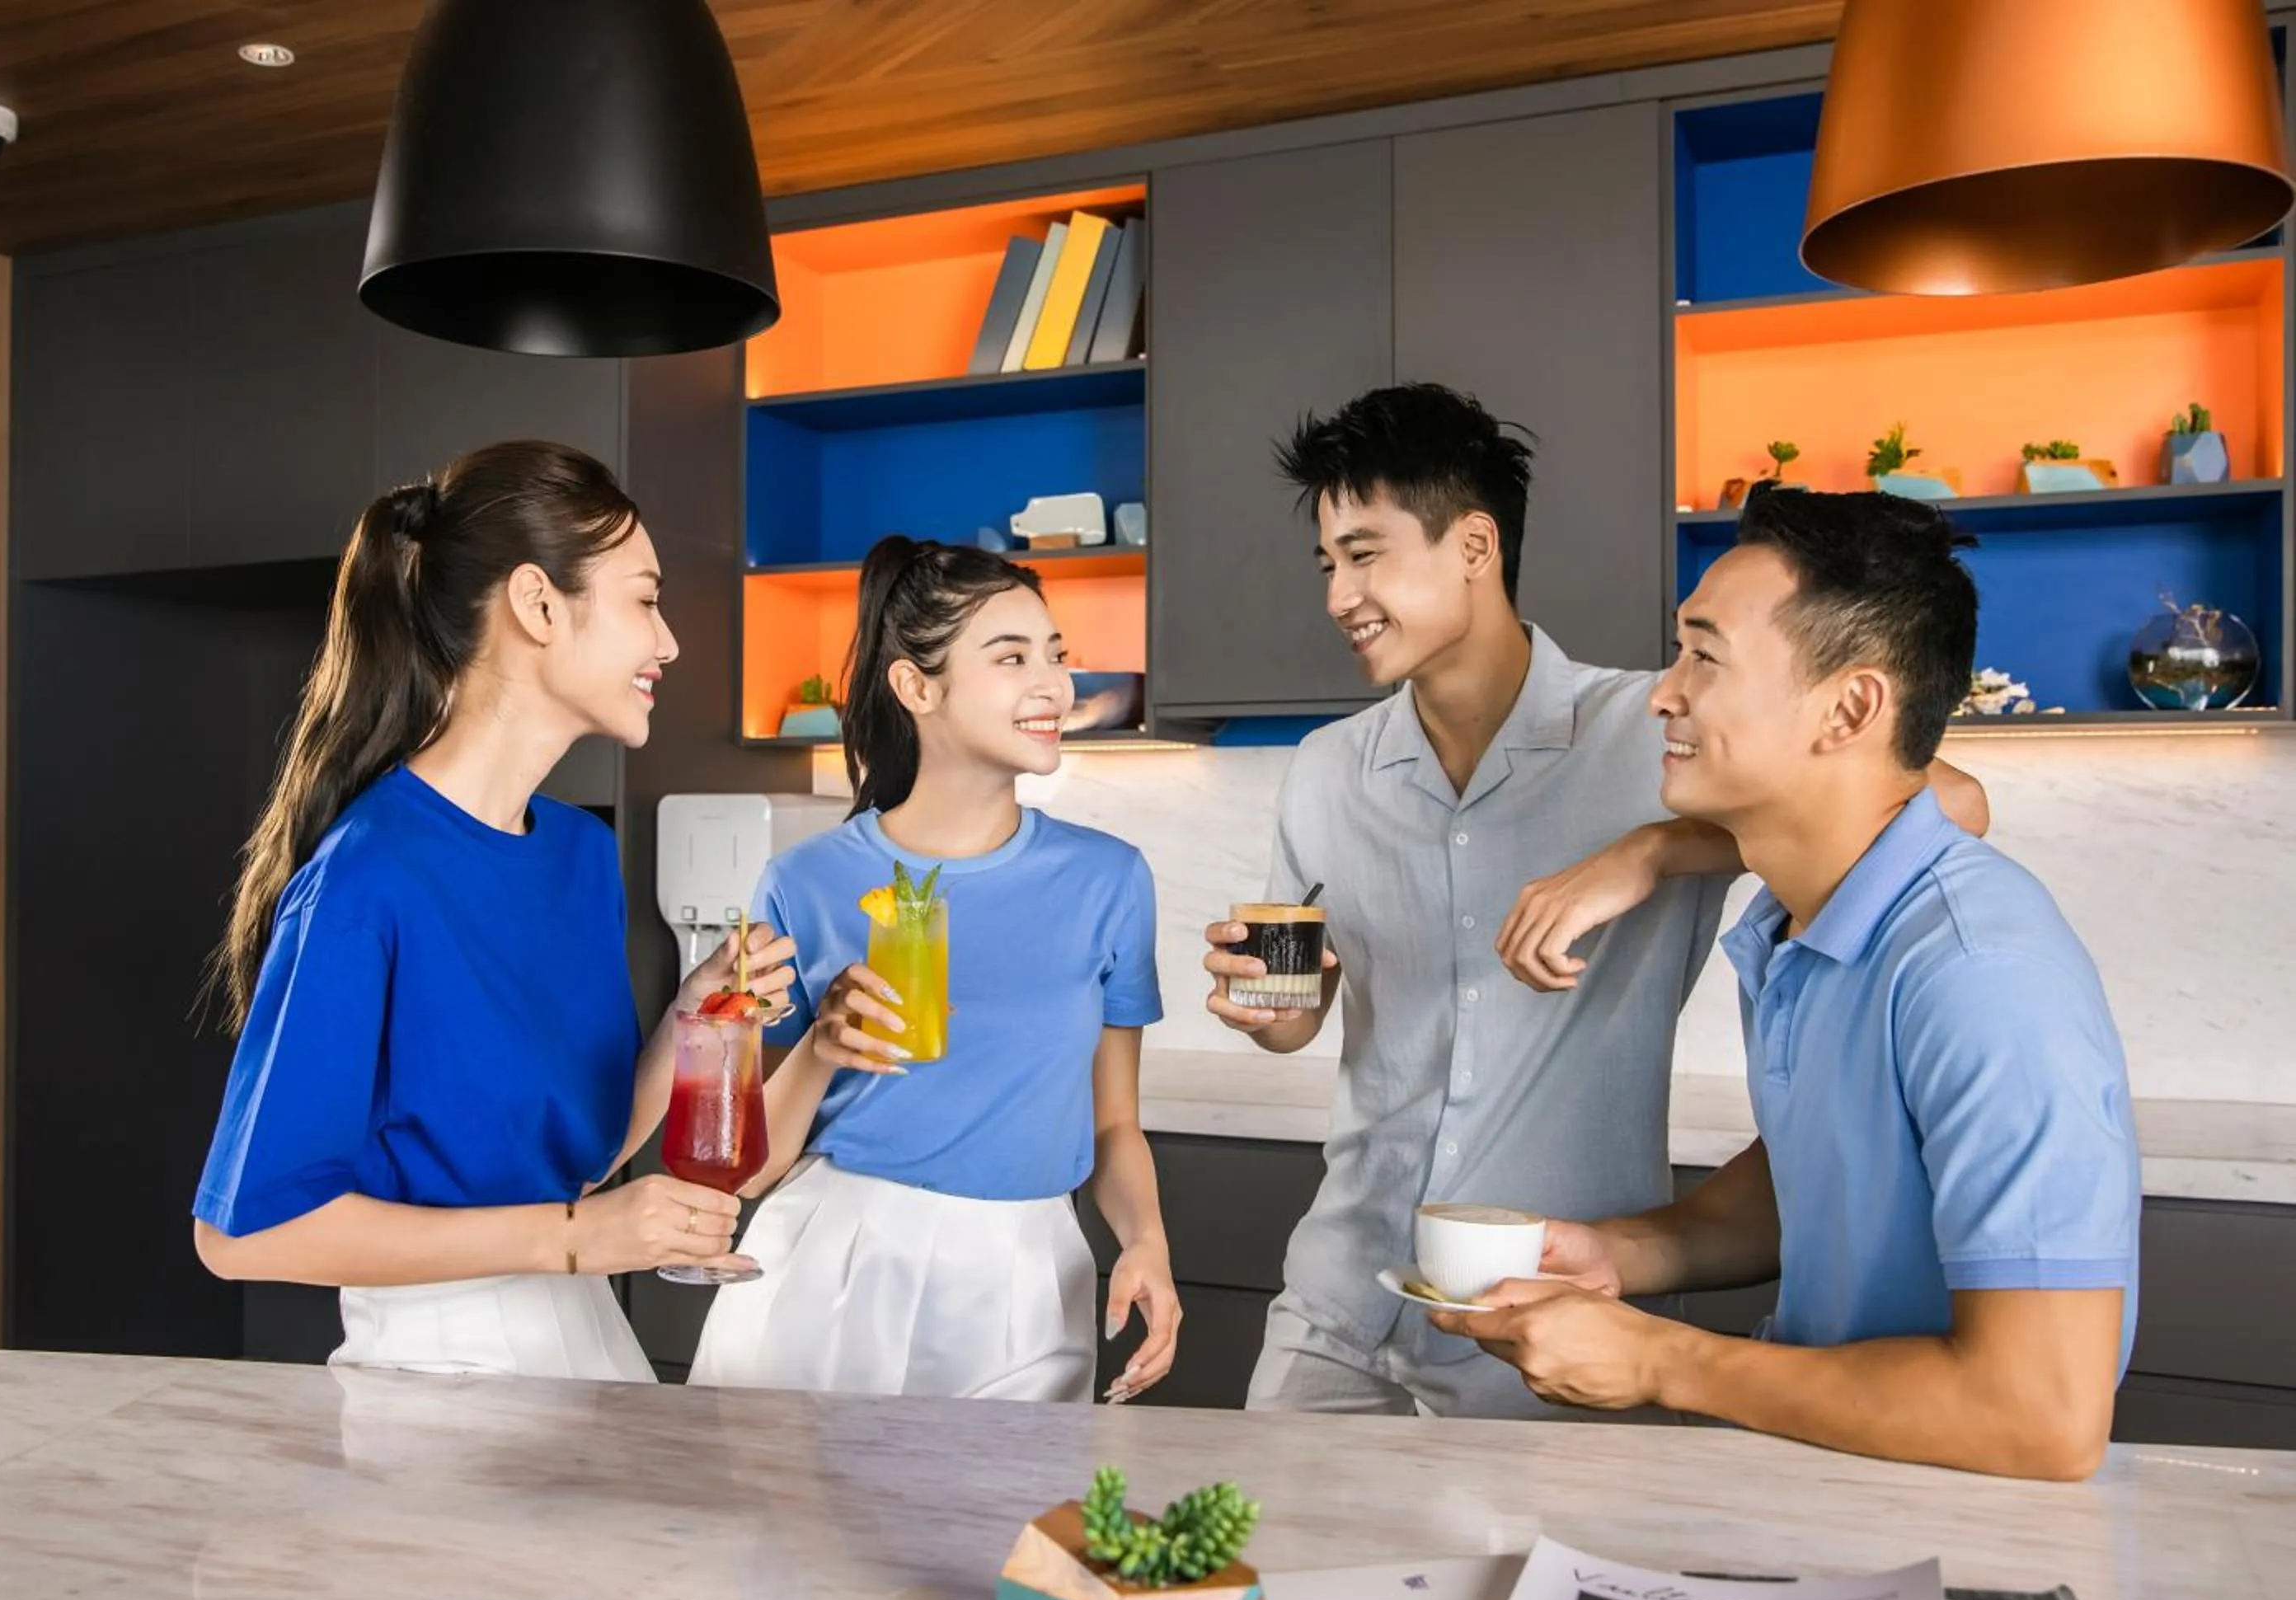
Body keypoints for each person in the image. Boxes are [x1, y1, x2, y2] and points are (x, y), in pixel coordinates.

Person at [1204, 385, 1989, 1418]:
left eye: (1366, 554)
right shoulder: (1324, 770)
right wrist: (1280, 1014)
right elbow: (1295, 1017)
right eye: (1327, 564)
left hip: (1550, 1317)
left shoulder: (1655, 727)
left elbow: (1953, 803)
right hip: (1341, 1305)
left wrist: (1653, 850)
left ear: (1475, 546)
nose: (1339, 594)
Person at [1435, 486, 2139, 1481]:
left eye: (1704, 656)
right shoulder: (1799, 924)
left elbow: (2042, 1416)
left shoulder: (1982, 974)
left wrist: (1660, 1357)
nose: (1662, 693)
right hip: (1828, 1488)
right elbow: (1813, 1182)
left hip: (1967, 1541)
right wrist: (1611, 1256)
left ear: (1849, 706)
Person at [191, 439, 796, 1381]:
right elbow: (246, 1233)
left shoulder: (579, 853)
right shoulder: (370, 872)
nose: (669, 640)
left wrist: (696, 1012)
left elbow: (582, 1164)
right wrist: (569, 1239)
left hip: (589, 1344)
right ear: (538, 604)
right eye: (644, 597)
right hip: (437, 1377)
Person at [691, 536, 1181, 1403]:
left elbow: (1114, 1126)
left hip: (1029, 1272)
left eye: (1056, 654)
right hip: (836, 1255)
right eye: (1012, 656)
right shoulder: (805, 882)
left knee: (995, 1534)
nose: (1053, 683)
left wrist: (1145, 1242)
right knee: (786, 1535)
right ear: (917, 687)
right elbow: (743, 1168)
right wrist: (821, 1049)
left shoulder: (1109, 880)